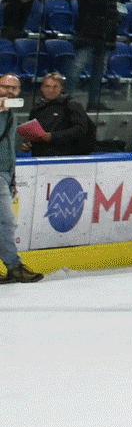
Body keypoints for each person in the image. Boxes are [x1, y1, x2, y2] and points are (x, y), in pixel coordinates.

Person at [0, 71, 41, 282]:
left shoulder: (11, 114)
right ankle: (14, 266)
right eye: (6, 87)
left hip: (6, 174)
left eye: (14, 88)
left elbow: (8, 149)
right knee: (7, 222)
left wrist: (12, 178)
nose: (10, 91)